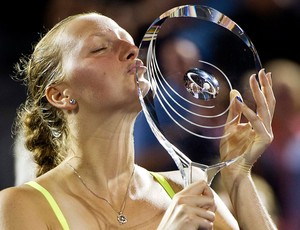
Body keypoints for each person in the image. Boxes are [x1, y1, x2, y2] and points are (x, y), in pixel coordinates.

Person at [0, 12, 276, 229]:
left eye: (130, 42)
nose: (133, 51)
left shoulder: (184, 189)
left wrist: (238, 174)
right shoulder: (21, 205)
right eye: (99, 48)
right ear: (61, 95)